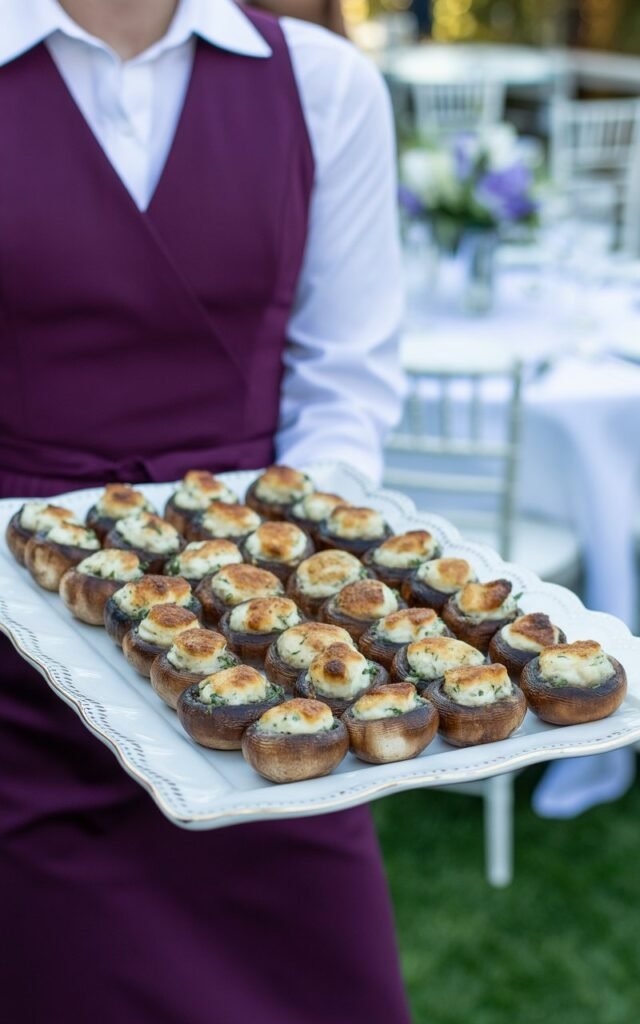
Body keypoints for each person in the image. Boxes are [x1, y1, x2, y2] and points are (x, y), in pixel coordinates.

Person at [0, 1, 411, 1021]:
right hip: (12, 658)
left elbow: (344, 377)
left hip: (274, 673)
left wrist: (289, 572)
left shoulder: (323, 82)